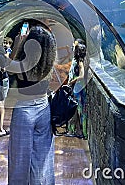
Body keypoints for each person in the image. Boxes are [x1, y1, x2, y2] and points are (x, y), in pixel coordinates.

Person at [6, 24, 57, 185]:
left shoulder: (24, 62)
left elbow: (8, 69)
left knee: (19, 159)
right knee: (42, 158)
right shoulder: (49, 61)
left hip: (24, 110)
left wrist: (18, 45)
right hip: (44, 108)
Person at [66, 38, 88, 139]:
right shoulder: (77, 60)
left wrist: (72, 81)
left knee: (77, 109)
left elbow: (82, 75)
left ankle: (80, 131)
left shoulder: (80, 61)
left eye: (74, 47)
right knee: (76, 109)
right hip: (77, 89)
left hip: (77, 89)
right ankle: (78, 131)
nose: (73, 48)